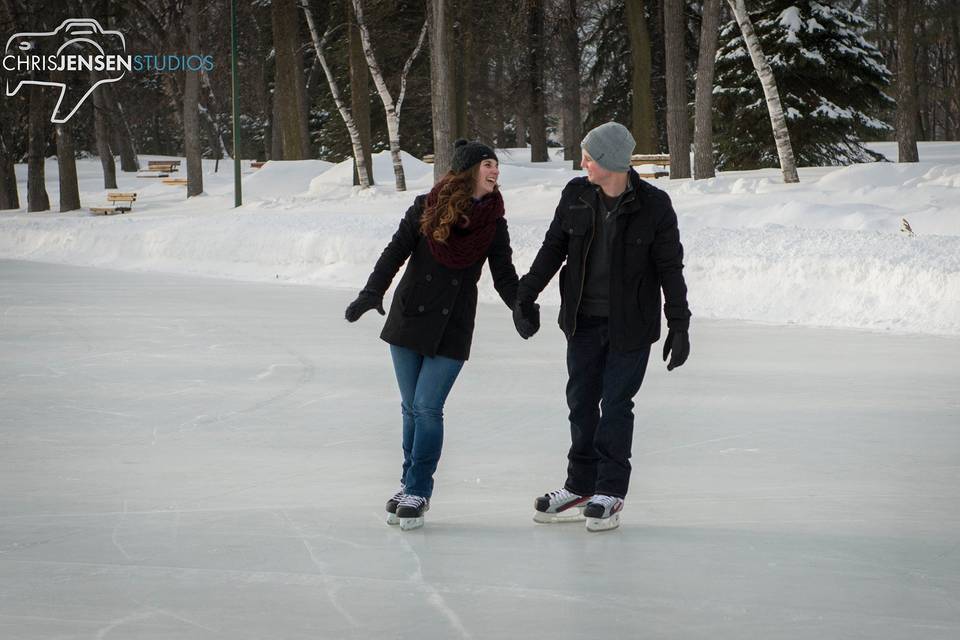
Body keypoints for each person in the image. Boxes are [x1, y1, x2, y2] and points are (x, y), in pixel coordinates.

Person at [513, 122, 691, 532]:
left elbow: (670, 268)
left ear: (609, 161)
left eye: (589, 156)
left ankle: (609, 489)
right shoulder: (576, 195)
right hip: (583, 321)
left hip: (631, 326)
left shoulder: (655, 206)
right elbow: (552, 248)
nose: (583, 163)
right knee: (580, 401)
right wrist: (526, 296)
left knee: (615, 405)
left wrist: (679, 324)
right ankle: (579, 485)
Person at [345, 139, 522, 531]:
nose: (495, 171)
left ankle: (419, 490)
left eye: (496, 165)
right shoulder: (427, 206)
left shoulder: (493, 223)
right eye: (488, 164)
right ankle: (408, 482)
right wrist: (371, 292)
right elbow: (395, 251)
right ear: (468, 170)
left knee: (427, 407)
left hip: (452, 324)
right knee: (410, 407)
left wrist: (520, 306)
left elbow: (505, 275)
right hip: (409, 318)